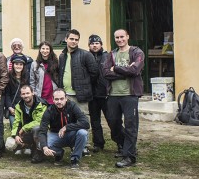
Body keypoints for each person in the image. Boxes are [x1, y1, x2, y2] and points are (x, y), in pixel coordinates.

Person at [102, 29, 145, 168]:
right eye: (117, 37)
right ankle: (124, 145)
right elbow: (106, 73)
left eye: (122, 37)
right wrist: (125, 71)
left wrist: (117, 69)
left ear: (127, 36)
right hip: (113, 95)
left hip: (130, 95)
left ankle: (129, 156)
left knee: (131, 125)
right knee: (113, 124)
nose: (119, 39)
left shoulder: (137, 53)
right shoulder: (112, 54)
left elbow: (135, 71)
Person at [37, 89, 90, 169]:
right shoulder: (49, 111)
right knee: (41, 144)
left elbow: (86, 123)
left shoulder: (73, 106)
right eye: (56, 99)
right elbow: (42, 130)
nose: (59, 102)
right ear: (53, 100)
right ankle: (59, 153)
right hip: (56, 135)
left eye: (61, 99)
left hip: (72, 134)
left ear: (66, 98)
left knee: (83, 133)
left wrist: (67, 127)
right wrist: (44, 147)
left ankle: (74, 159)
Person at [58, 29, 98, 117]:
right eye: (71, 39)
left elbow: (94, 74)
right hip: (65, 95)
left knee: (82, 120)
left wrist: (84, 86)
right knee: (67, 121)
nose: (74, 41)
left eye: (76, 40)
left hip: (81, 96)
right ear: (66, 39)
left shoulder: (86, 55)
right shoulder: (62, 56)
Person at [7, 85, 46, 163]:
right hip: (27, 131)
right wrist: (16, 135)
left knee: (36, 128)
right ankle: (28, 146)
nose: (26, 96)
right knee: (10, 143)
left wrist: (24, 128)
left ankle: (38, 153)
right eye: (23, 94)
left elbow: (40, 121)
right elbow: (16, 121)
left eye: (28, 93)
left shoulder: (41, 104)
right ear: (21, 95)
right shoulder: (18, 106)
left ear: (33, 93)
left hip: (43, 131)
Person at [88, 34, 109, 153]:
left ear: (101, 44)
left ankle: (120, 143)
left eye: (97, 43)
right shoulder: (86, 56)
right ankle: (98, 143)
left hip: (105, 94)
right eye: (92, 44)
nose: (94, 45)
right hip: (92, 95)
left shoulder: (108, 56)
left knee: (112, 119)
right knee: (95, 121)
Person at [4, 55, 29, 133]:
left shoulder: (27, 76)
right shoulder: (8, 77)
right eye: (16, 64)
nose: (18, 66)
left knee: (25, 128)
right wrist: (9, 107)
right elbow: (6, 94)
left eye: (21, 64)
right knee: (14, 127)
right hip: (13, 108)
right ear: (13, 65)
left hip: (25, 107)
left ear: (23, 66)